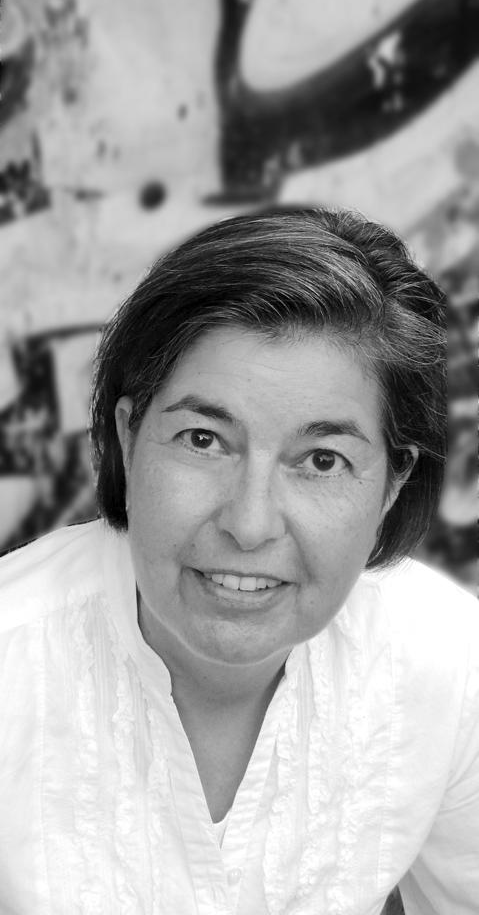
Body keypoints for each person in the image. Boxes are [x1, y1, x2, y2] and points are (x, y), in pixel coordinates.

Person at [0, 205, 477, 915]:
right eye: (203, 440)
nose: (249, 525)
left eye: (322, 460)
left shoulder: (448, 665)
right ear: (127, 438)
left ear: (391, 483)